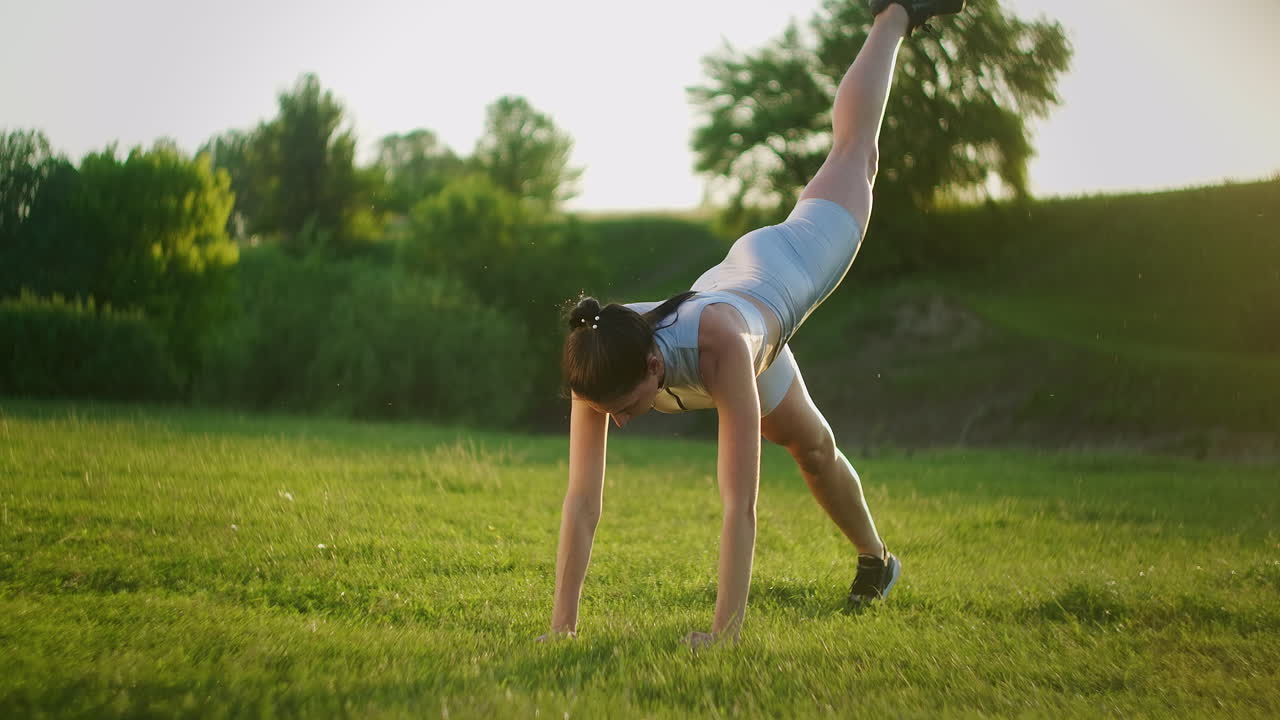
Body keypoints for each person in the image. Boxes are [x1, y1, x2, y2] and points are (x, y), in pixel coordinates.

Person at [540, 0, 967, 650]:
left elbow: (739, 505)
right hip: (726, 292)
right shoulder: (598, 356)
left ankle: (895, 15)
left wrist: (724, 634)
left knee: (856, 154)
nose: (618, 421)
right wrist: (560, 630)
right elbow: (581, 504)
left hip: (781, 271)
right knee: (815, 449)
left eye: (626, 408)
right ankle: (881, 564)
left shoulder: (718, 348)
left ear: (655, 368)